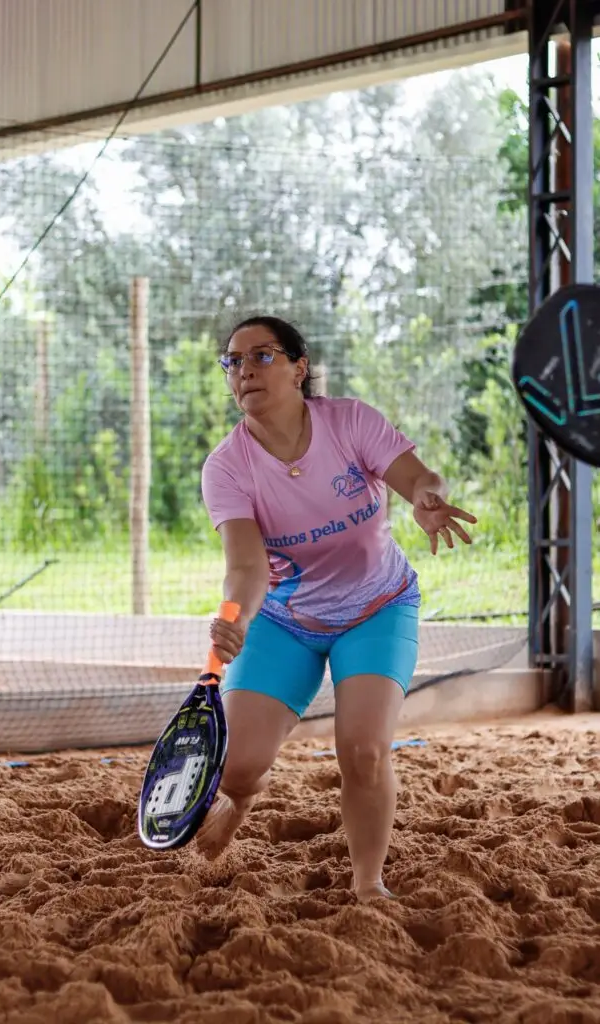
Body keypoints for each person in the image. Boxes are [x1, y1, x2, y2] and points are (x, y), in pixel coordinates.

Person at [198, 315, 476, 901]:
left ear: (299, 368)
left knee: (364, 751)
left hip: (378, 608)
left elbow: (419, 477)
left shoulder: (349, 422)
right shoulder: (226, 467)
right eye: (233, 361)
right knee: (238, 766)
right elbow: (247, 566)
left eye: (262, 355)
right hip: (285, 621)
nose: (245, 370)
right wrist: (237, 617)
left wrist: (427, 497)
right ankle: (241, 799)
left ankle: (368, 884)